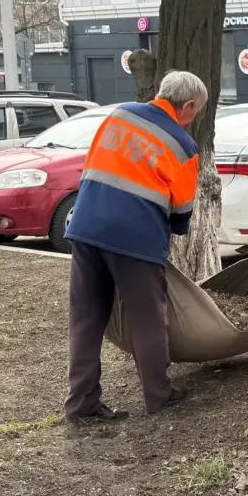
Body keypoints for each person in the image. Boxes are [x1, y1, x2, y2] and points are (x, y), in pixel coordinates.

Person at [63, 70, 207, 422]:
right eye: (196, 112)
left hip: (86, 226)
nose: (193, 120)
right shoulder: (183, 145)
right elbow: (182, 210)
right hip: (135, 239)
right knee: (147, 319)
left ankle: (81, 404)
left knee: (86, 319)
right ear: (188, 105)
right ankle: (159, 395)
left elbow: (95, 163)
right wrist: (173, 227)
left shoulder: (119, 115)